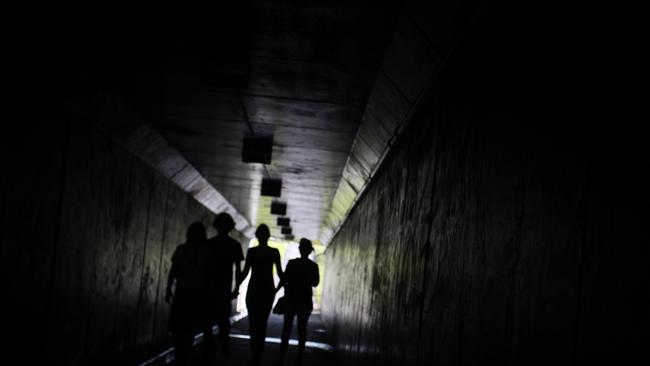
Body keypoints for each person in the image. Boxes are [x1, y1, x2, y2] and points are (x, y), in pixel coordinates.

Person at [165, 222, 213, 366]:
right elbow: (209, 275)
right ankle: (184, 354)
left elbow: (173, 271)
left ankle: (181, 355)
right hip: (196, 293)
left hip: (183, 292)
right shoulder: (207, 252)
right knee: (189, 328)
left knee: (179, 327)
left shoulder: (182, 249)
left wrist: (168, 288)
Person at [238, 224, 283, 366]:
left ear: (257, 236)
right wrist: (277, 289)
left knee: (253, 322)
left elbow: (245, 273)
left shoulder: (252, 252)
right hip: (267, 291)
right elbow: (281, 274)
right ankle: (259, 352)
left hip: (253, 290)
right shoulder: (274, 252)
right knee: (262, 323)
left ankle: (255, 353)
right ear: (268, 236)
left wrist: (235, 287)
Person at [204, 212, 244, 362]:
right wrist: (236, 289)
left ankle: (211, 345)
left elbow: (204, 267)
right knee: (223, 320)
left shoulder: (209, 244)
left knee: (208, 319)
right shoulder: (235, 245)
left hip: (210, 288)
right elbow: (238, 270)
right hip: (224, 289)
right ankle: (223, 341)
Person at [275, 238, 320, 366]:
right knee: (302, 329)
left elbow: (284, 279)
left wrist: (275, 291)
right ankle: (299, 359)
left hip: (290, 299)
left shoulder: (292, 263)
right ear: (309, 251)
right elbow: (315, 282)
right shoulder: (313, 266)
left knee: (286, 329)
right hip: (304, 301)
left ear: (300, 249)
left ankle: (282, 359)